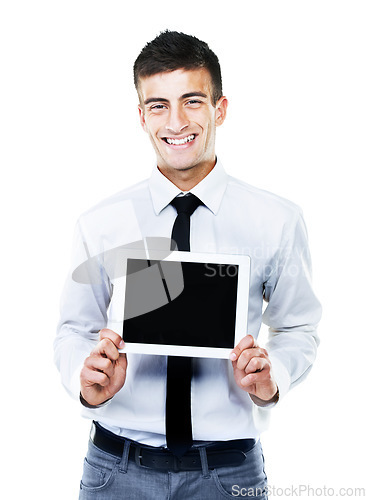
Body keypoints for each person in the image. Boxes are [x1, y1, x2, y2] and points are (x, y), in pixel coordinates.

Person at [55, 30, 321, 500]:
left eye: (192, 101)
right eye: (158, 105)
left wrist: (271, 375)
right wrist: (87, 376)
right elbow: (74, 329)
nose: (175, 121)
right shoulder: (102, 223)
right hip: (117, 469)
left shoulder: (275, 220)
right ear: (141, 116)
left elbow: (299, 326)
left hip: (226, 472)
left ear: (219, 108)